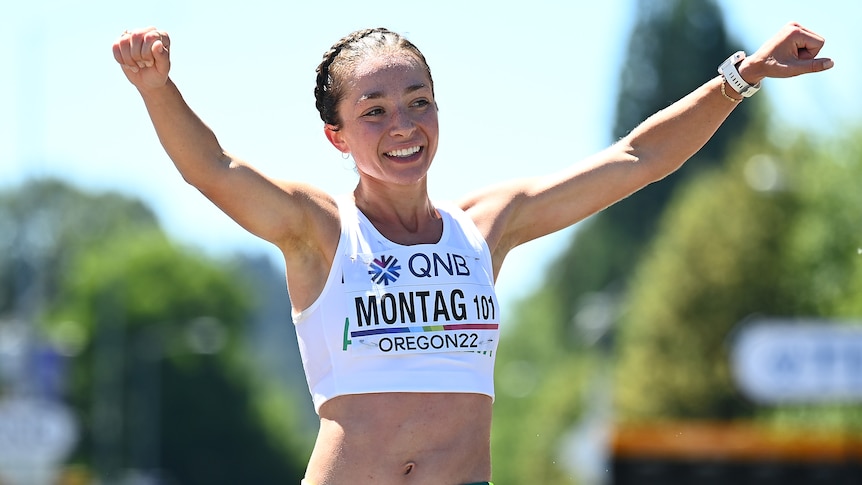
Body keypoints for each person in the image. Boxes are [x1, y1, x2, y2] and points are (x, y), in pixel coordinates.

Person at [112, 22, 832, 485]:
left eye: (419, 101)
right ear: (338, 136)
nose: (404, 125)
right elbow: (212, 167)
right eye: (375, 111)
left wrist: (744, 76)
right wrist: (157, 87)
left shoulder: (489, 225)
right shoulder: (318, 230)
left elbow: (638, 157)